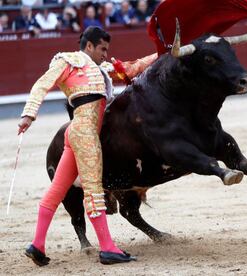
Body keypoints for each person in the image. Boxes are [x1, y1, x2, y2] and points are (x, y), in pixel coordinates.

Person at [18, 26, 157, 266]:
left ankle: (37, 245)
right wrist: (28, 114)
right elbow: (42, 84)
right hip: (85, 133)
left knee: (56, 191)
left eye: (107, 49)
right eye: (102, 48)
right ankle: (108, 248)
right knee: (93, 189)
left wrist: (160, 55)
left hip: (78, 134)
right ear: (89, 45)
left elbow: (132, 68)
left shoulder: (101, 69)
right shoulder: (68, 61)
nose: (105, 53)